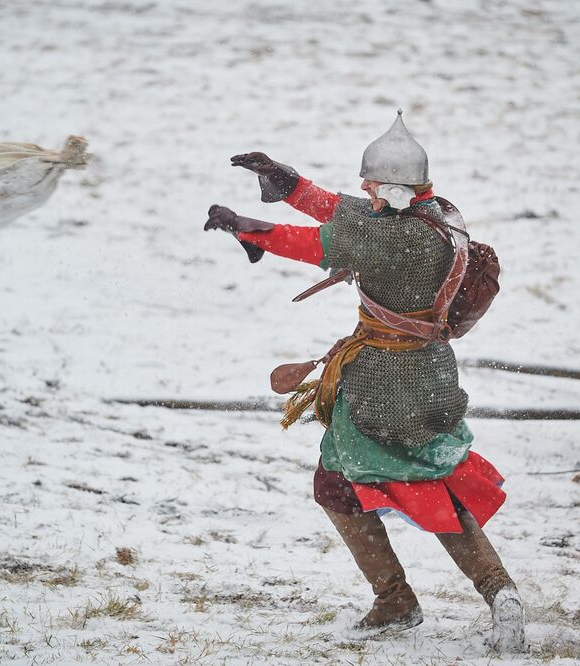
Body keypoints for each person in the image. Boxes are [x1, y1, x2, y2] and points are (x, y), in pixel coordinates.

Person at [204, 111, 526, 653]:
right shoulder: (438, 215)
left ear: (395, 191)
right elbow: (348, 213)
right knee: (438, 486)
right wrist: (289, 183)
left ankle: (394, 600)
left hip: (383, 385)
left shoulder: (390, 240)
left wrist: (246, 228)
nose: (365, 191)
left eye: (372, 184)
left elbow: (318, 243)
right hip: (431, 376)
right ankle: (501, 593)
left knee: (335, 485)